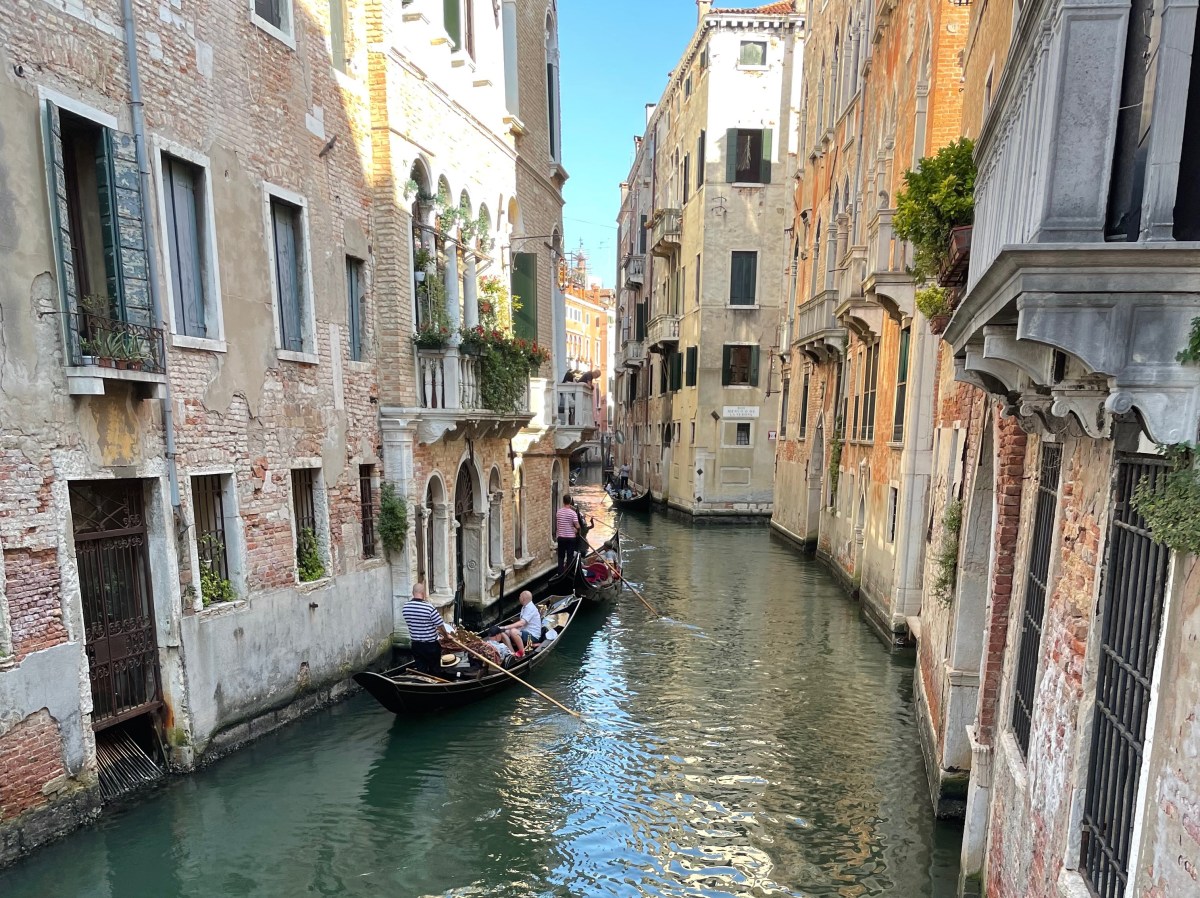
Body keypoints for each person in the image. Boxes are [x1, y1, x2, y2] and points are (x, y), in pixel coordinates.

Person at [402, 582, 446, 673]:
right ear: (423, 593)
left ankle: (423, 684)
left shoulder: (405, 607)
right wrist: (446, 635)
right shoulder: (429, 607)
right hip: (431, 646)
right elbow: (440, 625)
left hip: (416, 645)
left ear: (412, 593)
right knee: (435, 671)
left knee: (421, 671)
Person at [555, 494, 580, 570]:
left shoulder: (558, 512)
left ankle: (560, 572)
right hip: (570, 538)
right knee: (570, 556)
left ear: (563, 501)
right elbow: (578, 526)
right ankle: (569, 571)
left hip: (561, 537)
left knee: (561, 556)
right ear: (570, 502)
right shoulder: (573, 513)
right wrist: (576, 530)